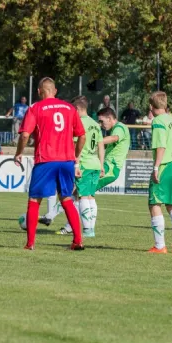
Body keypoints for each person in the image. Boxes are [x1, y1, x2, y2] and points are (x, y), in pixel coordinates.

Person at [14, 77, 86, 251]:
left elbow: (24, 135)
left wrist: (19, 153)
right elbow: (81, 136)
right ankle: (77, 241)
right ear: (55, 91)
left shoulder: (35, 108)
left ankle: (30, 244)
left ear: (39, 91)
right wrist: (75, 156)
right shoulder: (70, 108)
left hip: (46, 159)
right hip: (66, 161)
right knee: (67, 198)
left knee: (34, 200)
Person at [39, 106, 130, 229]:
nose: (101, 124)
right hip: (106, 166)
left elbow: (114, 138)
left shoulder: (120, 127)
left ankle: (66, 224)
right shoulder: (116, 128)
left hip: (110, 168)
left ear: (109, 118)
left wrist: (98, 140)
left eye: (102, 121)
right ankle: (56, 219)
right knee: (79, 193)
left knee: (81, 194)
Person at [56, 96, 105, 238]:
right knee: (90, 197)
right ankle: (90, 228)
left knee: (82, 197)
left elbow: (76, 145)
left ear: (77, 109)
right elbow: (101, 145)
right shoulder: (95, 124)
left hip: (83, 164)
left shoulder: (78, 123)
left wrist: (75, 163)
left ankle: (88, 230)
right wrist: (101, 165)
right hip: (95, 163)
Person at [147, 91, 172, 254]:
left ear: (151, 106)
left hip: (166, 164)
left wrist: (156, 167)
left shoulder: (158, 121)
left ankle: (159, 246)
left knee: (154, 203)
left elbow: (161, 145)